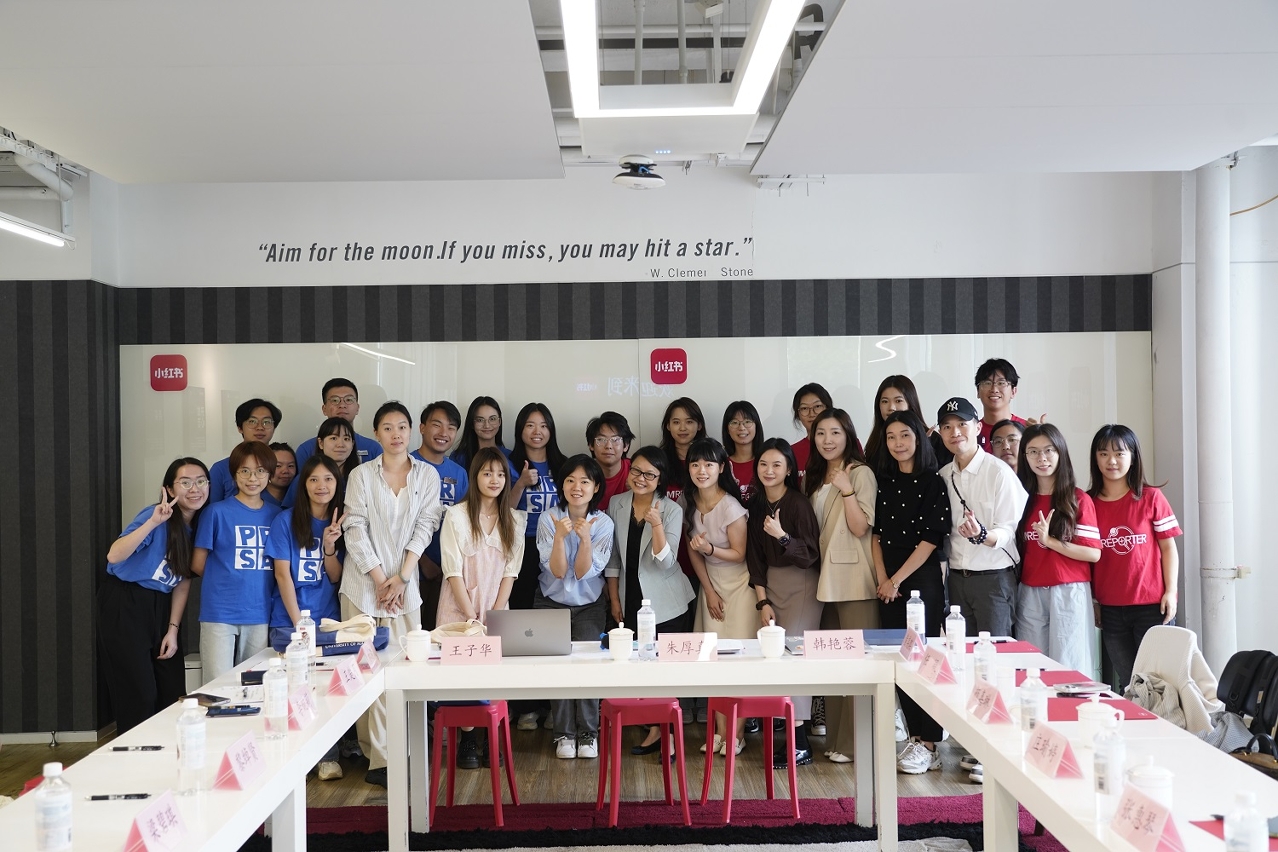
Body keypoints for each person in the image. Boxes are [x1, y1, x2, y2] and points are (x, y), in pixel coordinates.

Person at [341, 401, 443, 787]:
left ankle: (406, 751)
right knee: (367, 673)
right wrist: (380, 578)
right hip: (362, 586)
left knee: (406, 667)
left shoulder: (427, 474)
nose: (396, 434)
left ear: (411, 431)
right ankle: (378, 759)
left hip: (405, 587)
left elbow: (427, 524)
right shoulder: (361, 475)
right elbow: (354, 527)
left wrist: (401, 577)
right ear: (376, 433)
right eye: (387, 427)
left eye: (402, 426)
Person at [98, 458, 208, 734]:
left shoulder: (200, 527)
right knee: (139, 693)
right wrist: (152, 522)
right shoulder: (155, 515)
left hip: (162, 606)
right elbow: (114, 555)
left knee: (172, 692)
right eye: (185, 482)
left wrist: (173, 629)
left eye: (201, 481)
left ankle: (169, 752)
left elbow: (183, 582)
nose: (194, 488)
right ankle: (135, 752)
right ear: (169, 489)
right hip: (126, 601)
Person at [871, 411, 951, 774]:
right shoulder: (883, 481)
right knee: (900, 661)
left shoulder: (934, 482)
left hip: (921, 581)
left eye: (905, 435)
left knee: (924, 660)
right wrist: (882, 578)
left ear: (919, 438)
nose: (898, 443)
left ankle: (931, 742)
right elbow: (876, 536)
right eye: (891, 437)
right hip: (888, 583)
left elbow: (930, 541)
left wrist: (896, 581)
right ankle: (915, 738)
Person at [436, 447, 526, 769]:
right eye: (487, 473)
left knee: (495, 674)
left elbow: (510, 573)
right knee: (462, 676)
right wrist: (472, 617)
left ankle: (491, 737)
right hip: (459, 607)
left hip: (496, 607)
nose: (494, 480)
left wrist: (494, 616)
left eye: (500, 474)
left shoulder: (514, 519)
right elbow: (452, 571)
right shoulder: (457, 515)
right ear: (475, 476)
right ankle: (468, 738)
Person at [604, 446, 694, 754]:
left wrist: (656, 523)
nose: (641, 478)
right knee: (639, 664)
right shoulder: (617, 503)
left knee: (664, 668)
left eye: (650, 474)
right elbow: (613, 557)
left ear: (660, 479)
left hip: (666, 601)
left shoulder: (671, 509)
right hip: (630, 597)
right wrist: (614, 598)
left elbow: (665, 561)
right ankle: (654, 727)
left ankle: (667, 733)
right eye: (636, 471)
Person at [804, 409, 877, 764]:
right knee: (831, 661)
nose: (827, 440)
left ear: (848, 435)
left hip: (853, 579)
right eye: (821, 433)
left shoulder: (860, 473)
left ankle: (854, 744)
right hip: (822, 580)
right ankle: (835, 740)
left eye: (835, 432)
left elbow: (861, 527)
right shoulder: (815, 477)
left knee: (858, 666)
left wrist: (847, 490)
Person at [266, 454, 345, 780]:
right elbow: (282, 575)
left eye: (328, 479)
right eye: (313, 479)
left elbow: (336, 576)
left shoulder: (342, 521)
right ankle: (293, 758)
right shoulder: (285, 521)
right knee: (294, 688)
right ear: (303, 485)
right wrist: (299, 623)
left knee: (326, 690)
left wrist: (329, 546)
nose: (321, 486)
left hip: (328, 619)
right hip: (289, 620)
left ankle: (328, 757)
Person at [1087, 425, 1182, 691]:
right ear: (1095, 459)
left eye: (1119, 453)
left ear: (1133, 457)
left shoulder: (1151, 497)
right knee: (1129, 684)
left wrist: (1171, 592)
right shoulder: (1087, 503)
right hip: (1110, 610)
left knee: (1160, 685)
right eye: (1103, 454)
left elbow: (1168, 548)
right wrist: (1093, 601)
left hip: (1152, 606)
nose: (1112, 461)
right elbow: (1086, 558)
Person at [746, 438, 822, 768]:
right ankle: (787, 735)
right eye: (763, 464)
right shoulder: (756, 504)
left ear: (789, 469)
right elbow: (754, 558)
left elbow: (810, 555)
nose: (769, 470)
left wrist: (782, 536)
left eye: (777, 465)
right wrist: (762, 601)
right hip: (771, 584)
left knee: (795, 657)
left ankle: (800, 743)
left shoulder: (798, 503)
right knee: (772, 658)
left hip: (801, 584)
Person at [535, 455, 614, 760]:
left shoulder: (603, 523)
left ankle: (588, 734)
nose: (576, 487)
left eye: (584, 481)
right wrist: (559, 536)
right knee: (557, 666)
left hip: (589, 604)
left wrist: (585, 540)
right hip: (550, 602)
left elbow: (582, 573)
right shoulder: (549, 518)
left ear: (596, 487)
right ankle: (564, 734)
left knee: (588, 665)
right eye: (570, 480)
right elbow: (557, 571)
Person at [936, 397, 1027, 637]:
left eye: (962, 424)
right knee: (960, 651)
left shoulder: (999, 473)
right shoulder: (943, 476)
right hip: (956, 581)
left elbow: (1008, 529)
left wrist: (982, 535)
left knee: (994, 652)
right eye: (947, 427)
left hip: (993, 580)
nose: (955, 432)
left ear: (978, 427)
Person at [192, 441, 282, 683]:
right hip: (219, 612)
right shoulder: (216, 512)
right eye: (245, 471)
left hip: (260, 612)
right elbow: (197, 563)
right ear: (234, 474)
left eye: (260, 471)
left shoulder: (277, 515)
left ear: (270, 475)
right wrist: (226, 580)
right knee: (216, 684)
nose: (253, 478)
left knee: (254, 685)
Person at [1015, 424, 1101, 672]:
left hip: (1068, 591)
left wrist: (1051, 541)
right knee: (1031, 667)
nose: (1041, 458)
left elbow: (1093, 553)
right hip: (1030, 590)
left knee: (1069, 668)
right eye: (1033, 452)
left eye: (1048, 450)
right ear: (1024, 456)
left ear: (1060, 452)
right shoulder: (1021, 498)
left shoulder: (1077, 499)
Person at [686, 437, 752, 754]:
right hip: (710, 584)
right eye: (695, 464)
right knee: (712, 660)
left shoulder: (731, 507)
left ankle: (736, 735)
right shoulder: (689, 503)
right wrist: (709, 591)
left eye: (709, 464)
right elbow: (693, 551)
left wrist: (710, 548)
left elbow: (739, 554)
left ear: (721, 468)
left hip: (739, 586)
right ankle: (720, 732)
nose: (702, 470)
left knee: (738, 663)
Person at [508, 402, 567, 731]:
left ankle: (552, 704)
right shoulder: (508, 463)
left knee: (551, 622)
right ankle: (525, 706)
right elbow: (501, 510)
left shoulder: (563, 465)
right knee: (521, 623)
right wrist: (520, 483)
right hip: (521, 548)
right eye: (530, 425)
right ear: (520, 430)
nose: (537, 431)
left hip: (556, 548)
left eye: (543, 425)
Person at [412, 401, 470, 628]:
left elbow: (463, 524)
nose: (444, 433)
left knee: (440, 633)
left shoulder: (459, 473)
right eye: (437, 425)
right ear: (422, 428)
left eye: (451, 427)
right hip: (411, 570)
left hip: (447, 571)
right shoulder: (407, 465)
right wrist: (423, 561)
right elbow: (398, 523)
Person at [293, 378, 382, 471]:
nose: (342, 405)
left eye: (349, 399)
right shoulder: (305, 450)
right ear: (324, 409)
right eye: (335, 400)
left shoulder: (373, 449)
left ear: (357, 408)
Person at [864, 376, 950, 471]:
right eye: (885, 401)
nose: (891, 407)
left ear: (910, 404)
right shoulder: (875, 442)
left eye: (898, 401)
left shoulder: (933, 440)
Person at [207, 399, 281, 503]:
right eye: (252, 421)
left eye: (267, 422)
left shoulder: (284, 467)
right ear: (240, 428)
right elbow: (212, 507)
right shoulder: (220, 469)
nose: (260, 427)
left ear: (274, 428)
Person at [973, 359, 1034, 454]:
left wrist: (1042, 436)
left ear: (1013, 391)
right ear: (978, 391)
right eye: (987, 383)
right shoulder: (972, 433)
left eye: (1001, 383)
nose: (994, 389)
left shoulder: (1027, 430)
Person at [586, 411, 634, 510]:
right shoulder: (582, 473)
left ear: (626, 445)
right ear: (591, 445)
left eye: (615, 440)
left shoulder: (637, 472)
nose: (608, 446)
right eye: (601, 440)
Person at [450, 396, 511, 472]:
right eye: (480, 420)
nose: (487, 425)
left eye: (492, 419)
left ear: (499, 421)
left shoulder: (510, 457)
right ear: (472, 424)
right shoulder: (458, 458)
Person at [722, 400, 764, 503]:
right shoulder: (722, 465)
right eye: (734, 423)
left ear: (756, 426)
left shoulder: (766, 463)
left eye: (747, 421)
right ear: (727, 429)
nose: (741, 427)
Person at [789, 383, 833, 478]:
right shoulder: (791, 452)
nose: (811, 414)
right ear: (798, 415)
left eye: (817, 406)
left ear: (828, 409)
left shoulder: (848, 443)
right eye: (804, 408)